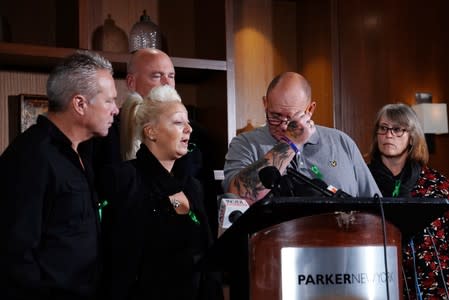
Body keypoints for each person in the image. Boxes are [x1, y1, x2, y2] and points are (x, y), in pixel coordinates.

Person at [0, 50, 119, 299]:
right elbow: (14, 256)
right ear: (79, 103)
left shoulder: (83, 153)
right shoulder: (31, 157)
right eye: (109, 101)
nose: (115, 110)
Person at [99, 85, 222, 300]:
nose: (188, 129)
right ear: (151, 131)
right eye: (177, 122)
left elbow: (207, 262)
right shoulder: (124, 179)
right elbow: (117, 261)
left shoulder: (193, 186)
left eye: (187, 122)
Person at [223, 71, 381, 203]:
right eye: (275, 116)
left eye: (292, 119)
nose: (284, 126)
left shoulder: (341, 142)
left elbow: (377, 208)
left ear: (310, 109)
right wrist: (290, 143)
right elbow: (238, 198)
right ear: (265, 104)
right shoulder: (245, 144)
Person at [367, 103, 449, 299]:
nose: (389, 135)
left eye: (397, 129)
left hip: (430, 284)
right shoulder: (361, 179)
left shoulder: (437, 184)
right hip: (374, 280)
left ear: (412, 137)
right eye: (383, 128)